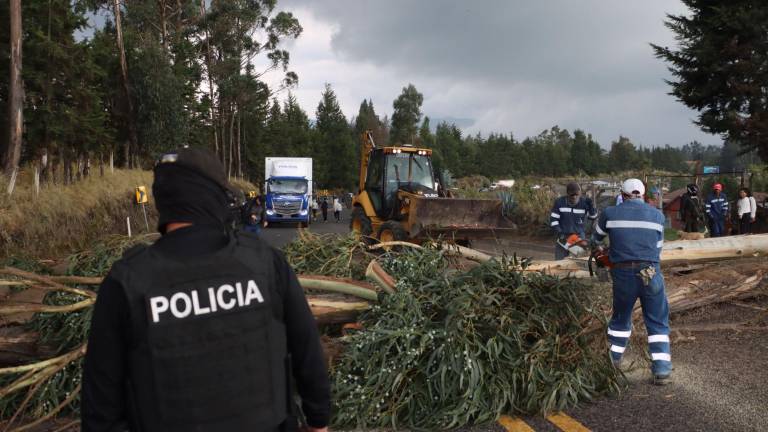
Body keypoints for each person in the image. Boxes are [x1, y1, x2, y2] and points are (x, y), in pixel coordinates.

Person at [81, 147, 330, 432]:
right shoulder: (264, 263)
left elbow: (100, 410)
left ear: (162, 200)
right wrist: (318, 420)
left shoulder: (126, 283)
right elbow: (307, 351)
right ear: (215, 198)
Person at [591, 178, 672, 385]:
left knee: (620, 320)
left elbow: (595, 240)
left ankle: (611, 362)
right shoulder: (657, 215)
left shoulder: (609, 213)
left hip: (623, 274)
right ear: (643, 195)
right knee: (657, 321)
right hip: (651, 272)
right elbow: (658, 249)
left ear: (622, 194)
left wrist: (602, 252)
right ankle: (662, 369)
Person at [549, 182, 598, 260]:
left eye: (577, 195)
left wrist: (591, 206)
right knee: (559, 261)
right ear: (567, 194)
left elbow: (593, 216)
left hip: (578, 237)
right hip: (563, 236)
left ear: (580, 194)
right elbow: (553, 220)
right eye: (572, 195)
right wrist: (559, 232)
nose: (574, 197)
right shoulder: (559, 202)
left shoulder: (584, 203)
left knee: (581, 260)